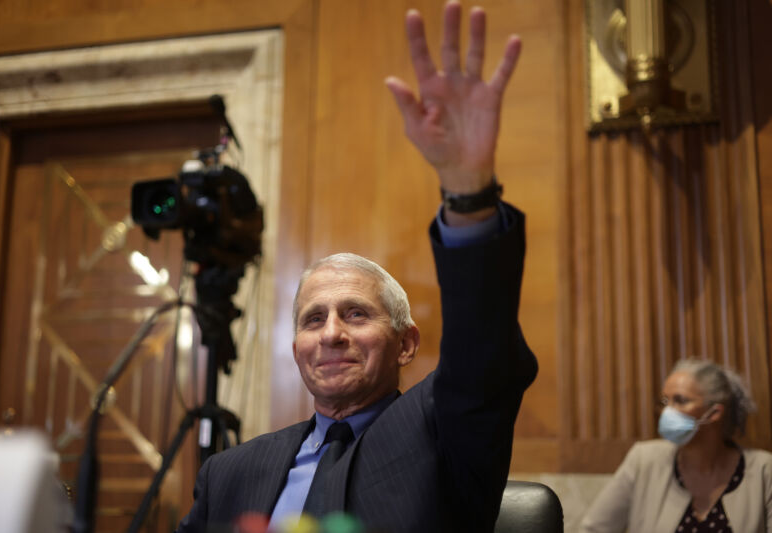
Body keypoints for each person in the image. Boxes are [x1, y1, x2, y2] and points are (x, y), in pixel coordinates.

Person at [176, 1, 537, 531]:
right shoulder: (228, 473)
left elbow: (484, 353)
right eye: (312, 319)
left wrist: (468, 190)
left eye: (356, 314)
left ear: (407, 343)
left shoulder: (443, 433)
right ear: (295, 346)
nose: (331, 334)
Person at [581, 359, 772, 533]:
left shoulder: (764, 469)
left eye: (680, 400)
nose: (667, 411)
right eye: (665, 401)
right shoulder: (643, 460)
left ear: (714, 413)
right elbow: (593, 529)